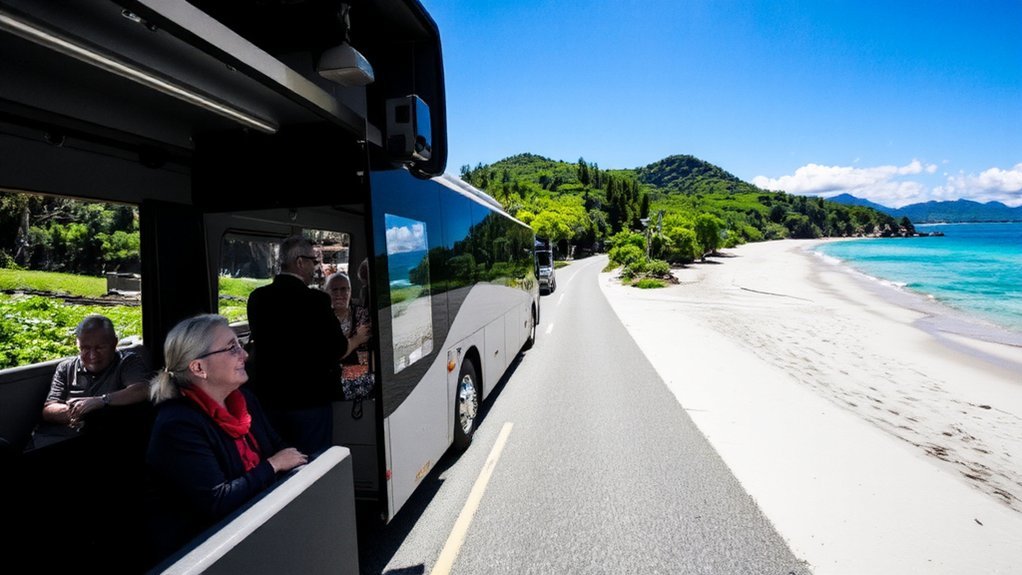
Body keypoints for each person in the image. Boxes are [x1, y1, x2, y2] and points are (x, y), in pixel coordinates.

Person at [145, 314, 307, 564]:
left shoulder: (243, 399)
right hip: (204, 554)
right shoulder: (178, 425)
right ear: (198, 368)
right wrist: (273, 465)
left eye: (240, 345)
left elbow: (278, 446)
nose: (245, 355)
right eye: (232, 348)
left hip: (253, 529)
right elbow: (218, 501)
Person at [246, 235, 369, 454]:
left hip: (269, 400)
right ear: (300, 262)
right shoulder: (316, 301)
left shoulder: (257, 298)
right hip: (309, 400)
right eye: (314, 261)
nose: (316, 267)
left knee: (279, 458)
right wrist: (357, 339)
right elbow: (337, 350)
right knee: (313, 462)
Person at [40, 314, 151, 436]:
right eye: (85, 348)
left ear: (114, 343)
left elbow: (141, 389)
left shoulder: (128, 362)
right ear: (78, 344)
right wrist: (79, 410)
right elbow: (49, 409)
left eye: (100, 348)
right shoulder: (66, 368)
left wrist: (101, 401)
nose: (93, 356)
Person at [324, 272, 374, 411]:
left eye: (344, 289)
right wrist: (355, 341)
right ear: (326, 293)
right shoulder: (321, 318)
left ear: (350, 292)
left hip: (360, 380)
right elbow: (329, 355)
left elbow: (367, 353)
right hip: (330, 382)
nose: (339, 294)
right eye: (334, 290)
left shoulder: (362, 314)